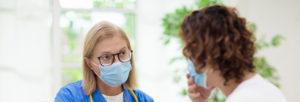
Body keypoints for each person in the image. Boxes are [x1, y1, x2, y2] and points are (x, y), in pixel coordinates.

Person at [179, 5, 287, 102]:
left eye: (191, 54)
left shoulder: (243, 98)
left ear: (209, 54)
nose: (190, 63)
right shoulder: (264, 90)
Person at [55, 21, 154, 102]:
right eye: (106, 57)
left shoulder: (144, 100)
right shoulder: (69, 97)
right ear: (89, 63)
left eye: (122, 53)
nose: (117, 63)